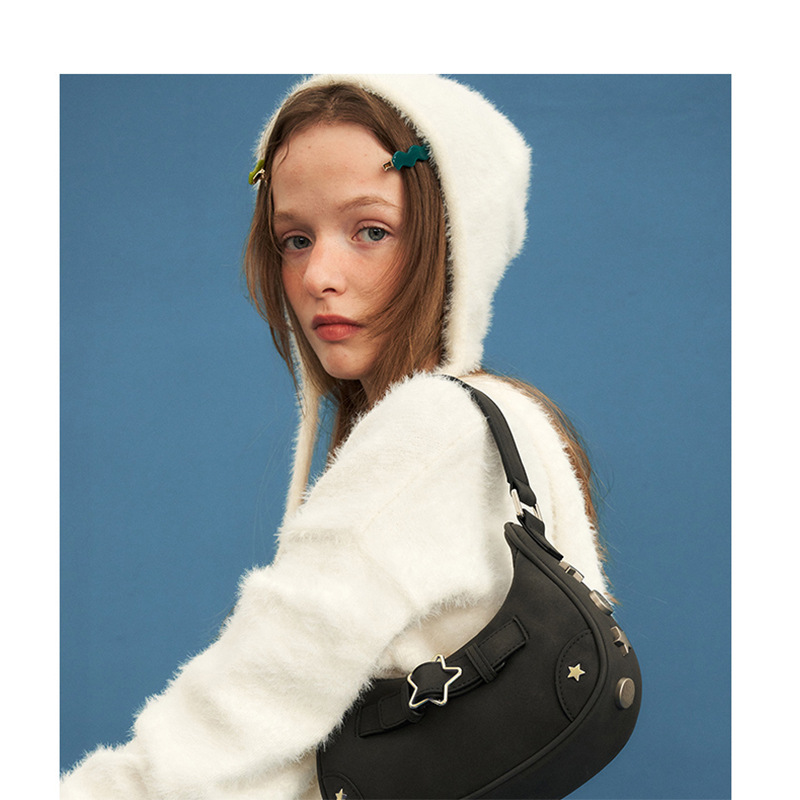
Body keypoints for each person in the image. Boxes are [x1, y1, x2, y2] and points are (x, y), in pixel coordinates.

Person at [61, 74, 610, 800]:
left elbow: (229, 725)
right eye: (294, 240)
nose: (318, 275)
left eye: (371, 231)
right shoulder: (515, 423)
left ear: (453, 241)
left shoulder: (431, 432)